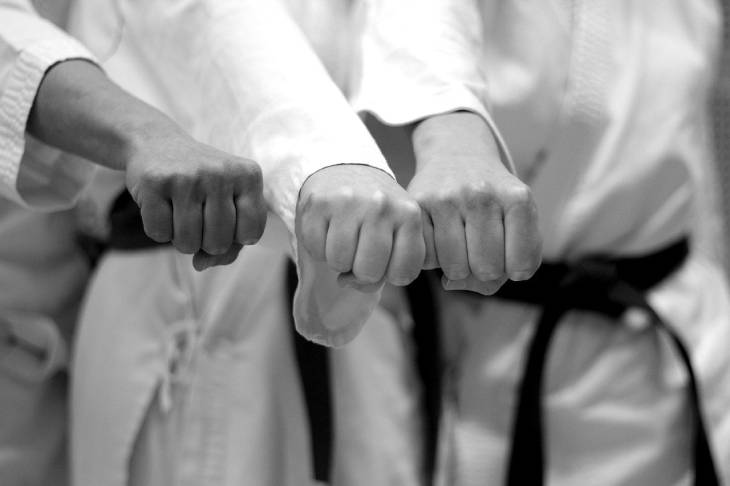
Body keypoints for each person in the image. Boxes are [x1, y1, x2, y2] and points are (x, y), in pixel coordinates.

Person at [350, 0, 730, 484]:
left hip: (673, 336)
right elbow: (418, 36)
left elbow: (689, 151)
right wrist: (453, 132)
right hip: (496, 346)